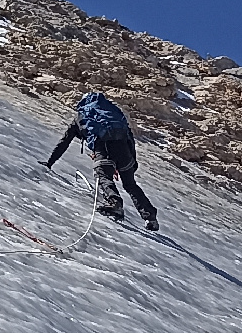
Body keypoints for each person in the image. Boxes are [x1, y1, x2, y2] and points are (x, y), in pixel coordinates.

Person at [44, 90, 159, 230]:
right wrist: (132, 162)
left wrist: (49, 163)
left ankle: (114, 203)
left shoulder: (82, 116)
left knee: (102, 175)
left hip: (104, 147)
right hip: (124, 149)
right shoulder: (112, 113)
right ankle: (150, 217)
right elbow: (129, 137)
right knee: (130, 184)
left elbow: (65, 141)